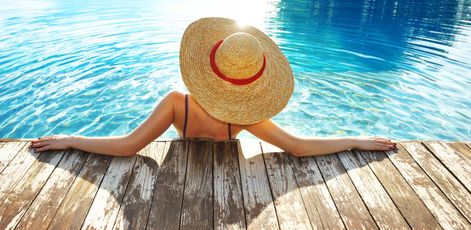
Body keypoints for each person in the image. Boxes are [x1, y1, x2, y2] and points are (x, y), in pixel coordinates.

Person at [30, 17, 396, 156]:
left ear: (206, 63)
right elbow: (298, 147)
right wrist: (354, 140)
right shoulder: (244, 116)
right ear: (254, 79)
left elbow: (128, 146)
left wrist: (72, 140)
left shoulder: (177, 104)